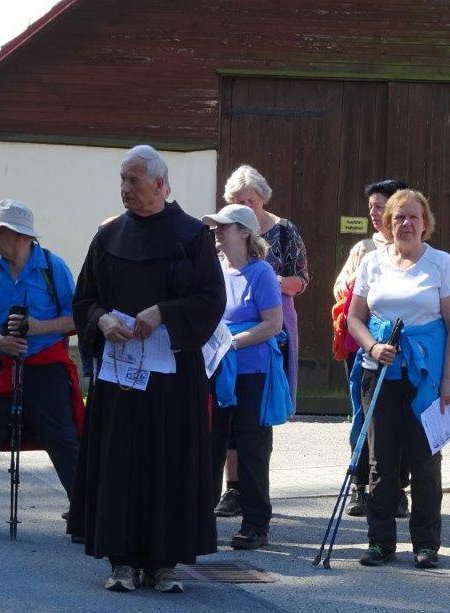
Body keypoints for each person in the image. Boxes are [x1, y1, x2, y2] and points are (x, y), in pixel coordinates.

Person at [67, 145, 226, 594]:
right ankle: (120, 560)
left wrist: (164, 312)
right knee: (119, 461)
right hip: (121, 376)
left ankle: (164, 563)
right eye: (122, 179)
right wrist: (101, 320)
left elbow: (211, 299)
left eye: (132, 180)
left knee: (168, 462)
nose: (124, 188)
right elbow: (84, 299)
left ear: (159, 184)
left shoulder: (192, 236)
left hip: (172, 375)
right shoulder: (108, 236)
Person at [347, 189, 450, 570]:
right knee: (381, 461)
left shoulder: (442, 263)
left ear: (425, 223)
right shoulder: (372, 262)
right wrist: (372, 347)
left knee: (425, 460)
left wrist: (449, 380)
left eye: (414, 217)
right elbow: (354, 318)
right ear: (388, 223)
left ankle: (426, 544)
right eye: (399, 217)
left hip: (425, 376)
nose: (406, 224)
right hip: (380, 373)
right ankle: (380, 541)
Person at [0, 199, 82, 538]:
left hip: (45, 361)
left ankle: (83, 512)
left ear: (20, 235)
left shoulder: (53, 267)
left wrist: (37, 327)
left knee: (63, 437)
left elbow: (77, 318)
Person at [215, 164, 309, 518]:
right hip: (227, 347)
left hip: (271, 326)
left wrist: (265, 280)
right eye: (238, 200)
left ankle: (254, 501)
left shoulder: (284, 231)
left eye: (250, 200)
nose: (245, 205)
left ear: (262, 199)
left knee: (255, 422)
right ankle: (233, 488)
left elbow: (300, 280)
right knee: (227, 424)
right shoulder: (224, 247)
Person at [203, 204, 290, 551]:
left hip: (252, 371)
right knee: (211, 445)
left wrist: (232, 343)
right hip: (215, 368)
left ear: (243, 232)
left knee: (252, 447)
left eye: (223, 227)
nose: (217, 232)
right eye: (215, 228)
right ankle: (200, 522)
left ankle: (255, 525)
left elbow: (273, 324)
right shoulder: (213, 269)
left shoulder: (261, 272)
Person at [332, 179, 411, 518]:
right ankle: (360, 485)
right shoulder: (364, 249)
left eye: (380, 207)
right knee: (364, 417)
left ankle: (398, 489)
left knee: (401, 420)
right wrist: (356, 281)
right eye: (371, 208)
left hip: (403, 348)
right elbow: (340, 289)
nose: (374, 214)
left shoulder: (415, 249)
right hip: (364, 344)